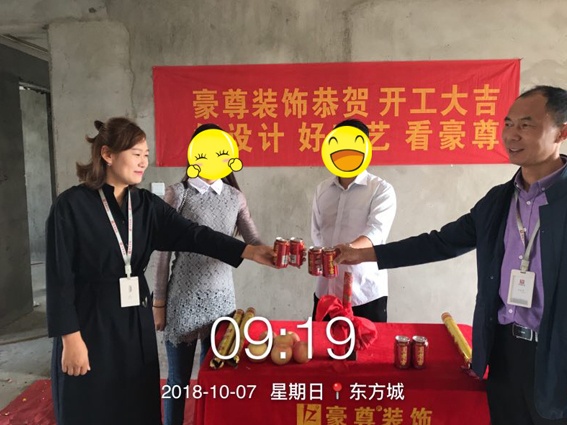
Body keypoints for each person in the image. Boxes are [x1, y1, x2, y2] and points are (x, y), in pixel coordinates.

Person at [334, 86, 567, 425]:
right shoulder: (499, 201)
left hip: (557, 357)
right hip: (504, 356)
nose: (512, 135)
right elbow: (440, 243)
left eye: (526, 125)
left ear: (561, 133)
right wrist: (364, 254)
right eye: (508, 124)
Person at [46, 117, 274, 425]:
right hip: (90, 321)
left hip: (134, 321)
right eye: (136, 154)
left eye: (146, 154)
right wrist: (71, 339)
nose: (144, 161)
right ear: (107, 154)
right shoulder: (71, 206)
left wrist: (249, 251)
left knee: (136, 400)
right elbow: (59, 278)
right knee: (91, 403)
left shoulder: (145, 206)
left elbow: (194, 235)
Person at [153, 124, 263, 425]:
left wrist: (281, 254)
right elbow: (162, 253)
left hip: (222, 301)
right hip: (183, 300)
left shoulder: (235, 197)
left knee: (211, 380)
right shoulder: (178, 194)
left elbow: (253, 241)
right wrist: (159, 304)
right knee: (177, 381)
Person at [311, 119, 396, 322]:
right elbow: (317, 231)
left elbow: (376, 232)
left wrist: (349, 250)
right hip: (326, 291)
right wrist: (319, 256)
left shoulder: (381, 190)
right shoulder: (322, 190)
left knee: (368, 343)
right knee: (321, 342)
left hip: (365, 293)